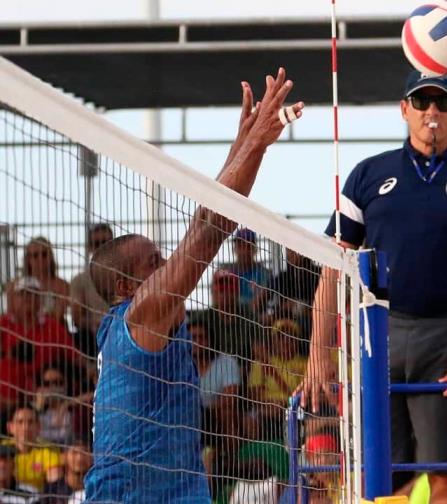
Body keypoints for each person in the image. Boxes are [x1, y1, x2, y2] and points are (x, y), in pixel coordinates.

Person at [82, 68, 303, 503]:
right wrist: (258, 143)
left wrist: (242, 142)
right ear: (128, 285)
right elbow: (209, 233)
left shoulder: (135, 320)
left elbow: (202, 222)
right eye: (155, 262)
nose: (167, 264)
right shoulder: (141, 314)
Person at [300, 70, 447, 503]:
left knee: (446, 476)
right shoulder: (367, 174)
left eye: (442, 103)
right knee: (380, 478)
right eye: (421, 102)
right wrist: (317, 353)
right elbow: (331, 271)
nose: (431, 112)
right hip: (379, 335)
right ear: (405, 110)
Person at [69, 223, 114, 358]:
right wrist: (94, 324)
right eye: (97, 243)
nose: (101, 247)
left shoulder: (127, 276)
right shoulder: (80, 280)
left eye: (105, 242)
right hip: (92, 336)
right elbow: (76, 319)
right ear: (90, 248)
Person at [6, 238, 69, 323]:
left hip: (53, 331)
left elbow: (57, 316)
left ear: (51, 257)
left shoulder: (62, 285)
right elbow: (11, 316)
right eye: (35, 255)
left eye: (44, 254)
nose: (40, 259)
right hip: (21, 331)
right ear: (28, 259)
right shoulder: (14, 285)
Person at [2, 407, 62, 493]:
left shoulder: (49, 450)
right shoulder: (2, 448)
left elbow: (55, 484)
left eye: (30, 422)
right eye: (20, 422)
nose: (25, 428)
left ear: (38, 427)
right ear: (10, 427)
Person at [222, 228, 272, 313]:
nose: (244, 251)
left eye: (248, 246)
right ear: (234, 249)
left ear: (255, 249)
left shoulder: (265, 273)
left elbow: (260, 302)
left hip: (257, 319)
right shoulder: (224, 272)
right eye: (240, 246)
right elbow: (219, 301)